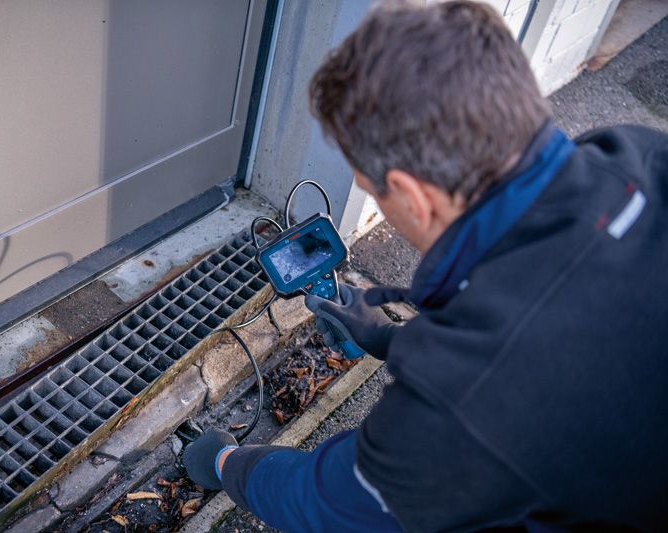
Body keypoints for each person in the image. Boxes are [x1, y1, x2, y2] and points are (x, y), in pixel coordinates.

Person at [183, 1, 668, 531]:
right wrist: (394, 340)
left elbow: (326, 505)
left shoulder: (465, 403)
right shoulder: (636, 154)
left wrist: (226, 463)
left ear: (413, 196)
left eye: (373, 192)